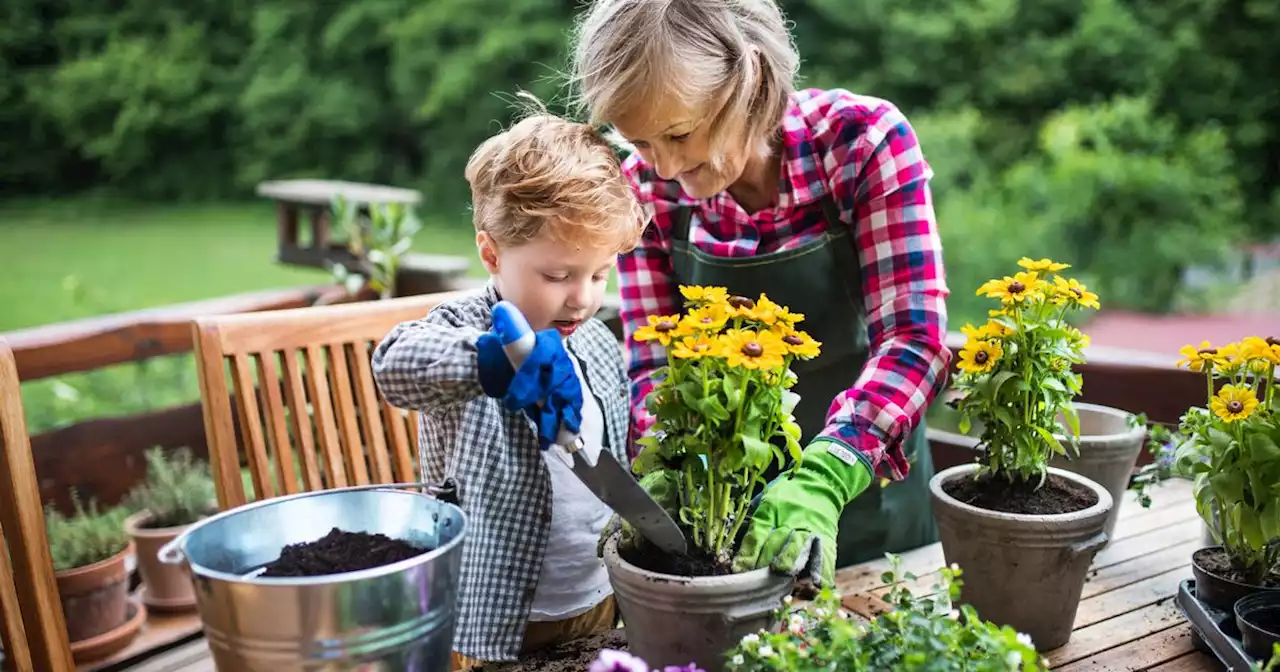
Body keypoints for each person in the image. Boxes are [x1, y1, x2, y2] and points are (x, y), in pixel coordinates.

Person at [570, 0, 952, 588]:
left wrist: (827, 473)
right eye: (640, 142)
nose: (664, 168)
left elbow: (913, 340)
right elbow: (654, 360)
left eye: (678, 133)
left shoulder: (861, 143)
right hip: (725, 520)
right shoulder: (644, 188)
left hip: (872, 502)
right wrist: (667, 460)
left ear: (748, 81)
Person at [371, 102, 645, 667]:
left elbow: (612, 451)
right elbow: (394, 365)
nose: (583, 297)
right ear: (491, 252)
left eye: (599, 273)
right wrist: (494, 361)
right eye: (558, 275)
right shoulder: (465, 328)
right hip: (494, 616)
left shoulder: (593, 339)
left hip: (597, 596)